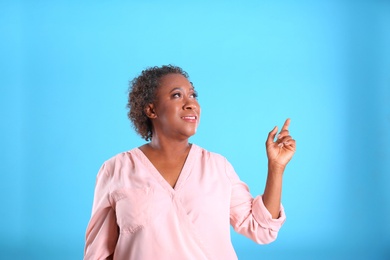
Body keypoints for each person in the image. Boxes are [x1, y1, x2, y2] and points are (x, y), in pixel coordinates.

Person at [84, 65, 296, 260]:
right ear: (151, 110)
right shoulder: (116, 169)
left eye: (193, 95)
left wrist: (276, 168)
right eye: (177, 95)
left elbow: (260, 228)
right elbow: (99, 254)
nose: (191, 103)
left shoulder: (217, 167)